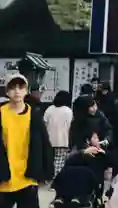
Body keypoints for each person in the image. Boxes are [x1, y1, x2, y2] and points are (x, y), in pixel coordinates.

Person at [0, 73, 53, 208]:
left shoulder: (34, 114)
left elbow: (44, 143)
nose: (17, 91)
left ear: (26, 91)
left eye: (21, 87)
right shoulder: (1, 113)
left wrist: (46, 172)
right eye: (12, 88)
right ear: (6, 91)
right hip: (4, 177)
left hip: (28, 176)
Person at [52, 131, 109, 207]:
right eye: (95, 138)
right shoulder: (79, 150)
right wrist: (83, 152)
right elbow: (68, 162)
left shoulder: (101, 153)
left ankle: (79, 198)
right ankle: (61, 197)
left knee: (85, 173)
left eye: (97, 138)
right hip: (76, 176)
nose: (98, 140)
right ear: (88, 140)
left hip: (90, 177)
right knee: (67, 172)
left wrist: (104, 153)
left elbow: (110, 163)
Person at [44, 90, 73, 178]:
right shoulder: (68, 111)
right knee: (59, 161)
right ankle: (55, 179)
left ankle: (48, 177)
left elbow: (44, 123)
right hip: (63, 140)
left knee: (49, 160)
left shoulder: (49, 109)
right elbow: (70, 126)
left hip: (49, 140)